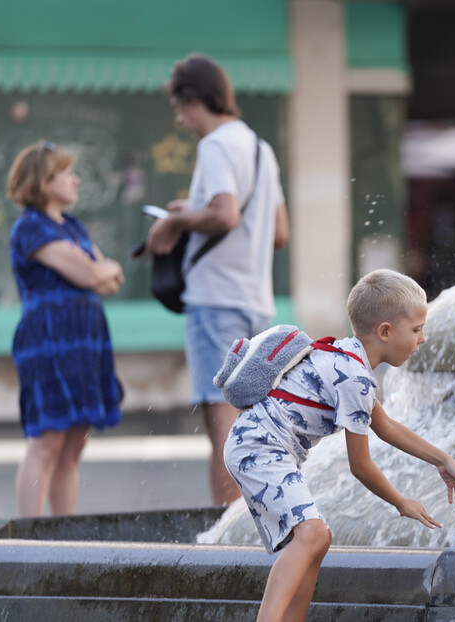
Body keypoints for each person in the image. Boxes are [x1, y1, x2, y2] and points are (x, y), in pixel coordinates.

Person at [224, 269, 455, 622]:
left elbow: (386, 425)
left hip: (258, 445)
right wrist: (401, 502)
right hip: (259, 447)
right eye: (417, 329)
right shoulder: (356, 378)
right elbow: (360, 466)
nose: (422, 339)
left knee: (319, 538)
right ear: (386, 332)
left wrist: (442, 460)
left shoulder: (346, 357)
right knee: (312, 533)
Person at [147, 53, 290, 506]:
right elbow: (280, 232)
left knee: (222, 426)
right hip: (256, 302)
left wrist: (176, 223)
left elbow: (225, 214)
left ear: (195, 99)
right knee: (253, 425)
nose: (179, 118)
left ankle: (228, 537)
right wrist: (195, 214)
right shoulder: (260, 149)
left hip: (215, 301)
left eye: (178, 107)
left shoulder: (214, 146)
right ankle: (265, 523)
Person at [6, 140, 125, 517]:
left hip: (84, 344)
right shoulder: (30, 227)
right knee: (47, 442)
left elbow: (111, 279)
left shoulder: (71, 227)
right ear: (44, 180)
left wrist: (96, 271)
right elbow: (92, 273)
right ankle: (30, 542)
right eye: (67, 173)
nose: (76, 180)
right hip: (48, 343)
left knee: (74, 446)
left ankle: (63, 536)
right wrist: (95, 270)